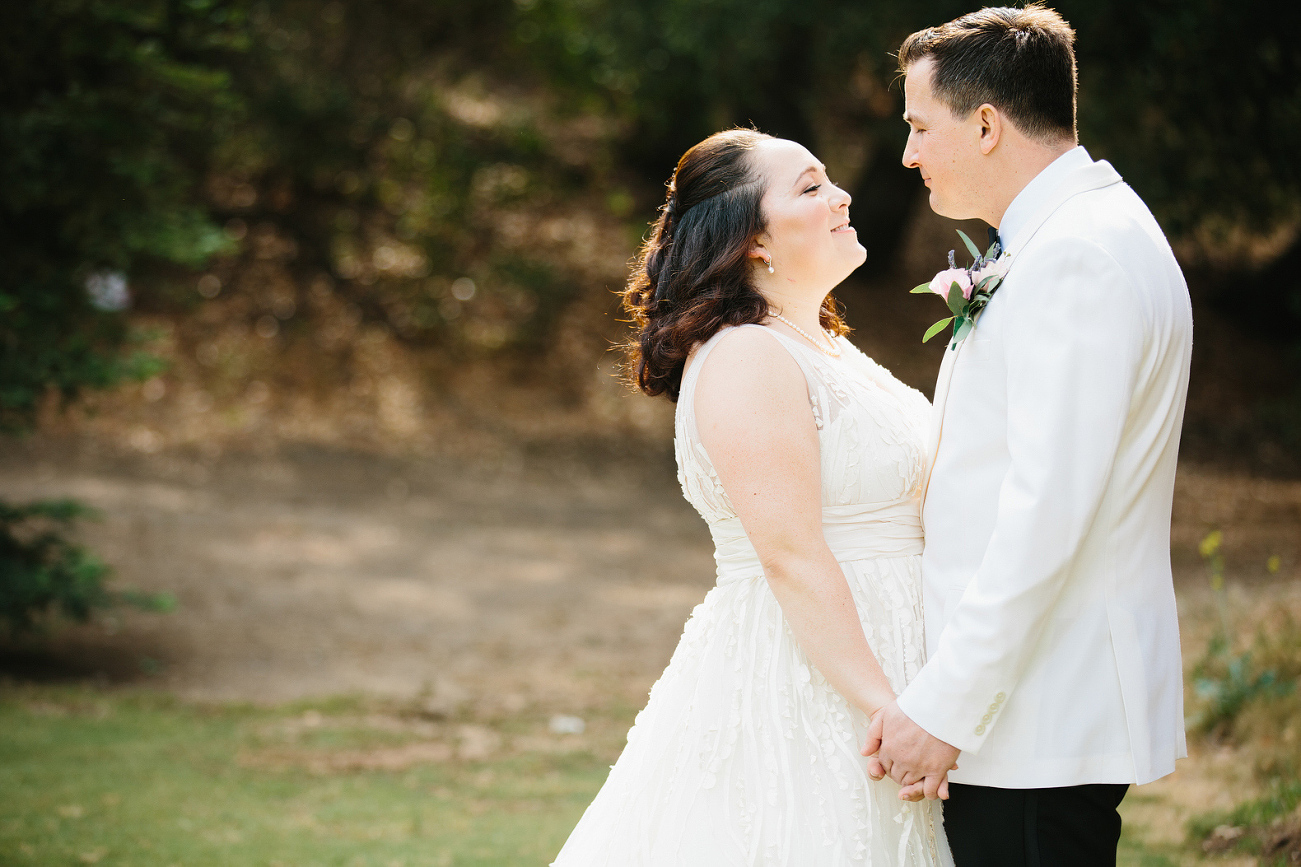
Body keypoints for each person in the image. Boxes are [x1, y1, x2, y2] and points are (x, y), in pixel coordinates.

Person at [551, 128, 953, 865]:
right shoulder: (745, 354)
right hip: (816, 681)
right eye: (808, 187)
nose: (840, 197)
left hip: (892, 663)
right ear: (750, 241)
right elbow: (790, 552)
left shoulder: (820, 343)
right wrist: (885, 707)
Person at [862, 6, 1193, 866]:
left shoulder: (1076, 257)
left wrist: (946, 705)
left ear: (983, 124)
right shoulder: (1074, 235)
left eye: (917, 126)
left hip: (1038, 709)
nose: (907, 154)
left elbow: (1046, 509)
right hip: (1031, 703)